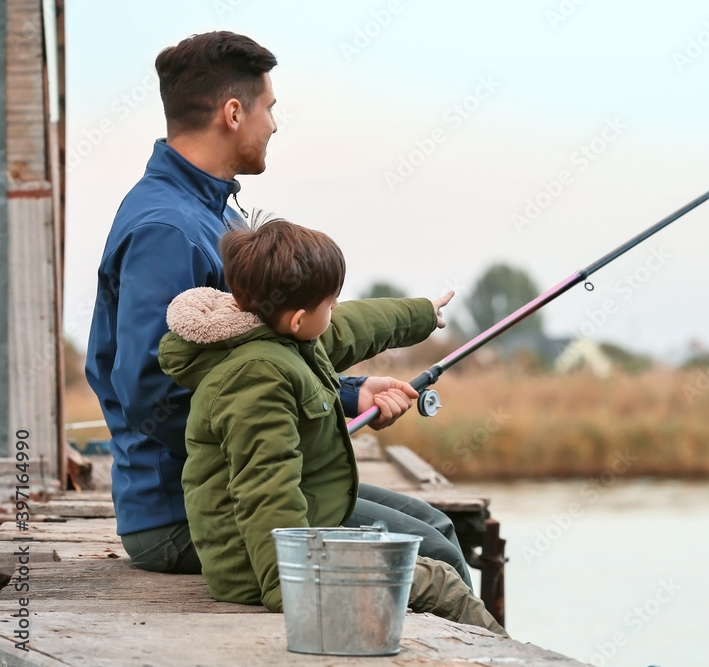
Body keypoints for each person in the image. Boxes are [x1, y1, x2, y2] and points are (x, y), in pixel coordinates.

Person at [84, 30, 471, 585]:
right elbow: (151, 390)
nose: (274, 123)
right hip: (191, 513)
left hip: (237, 489)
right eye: (270, 107)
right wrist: (275, 448)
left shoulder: (213, 212)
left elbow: (256, 351)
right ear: (234, 112)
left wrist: (345, 392)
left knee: (435, 525)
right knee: (430, 552)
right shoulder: (168, 230)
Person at [157, 216, 503, 634]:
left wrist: (422, 314)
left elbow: (353, 327)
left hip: (310, 514)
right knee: (440, 578)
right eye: (331, 302)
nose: (336, 308)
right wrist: (293, 584)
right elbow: (264, 489)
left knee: (434, 525)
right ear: (300, 319)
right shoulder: (256, 377)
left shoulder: (273, 333)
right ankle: (491, 652)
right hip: (264, 566)